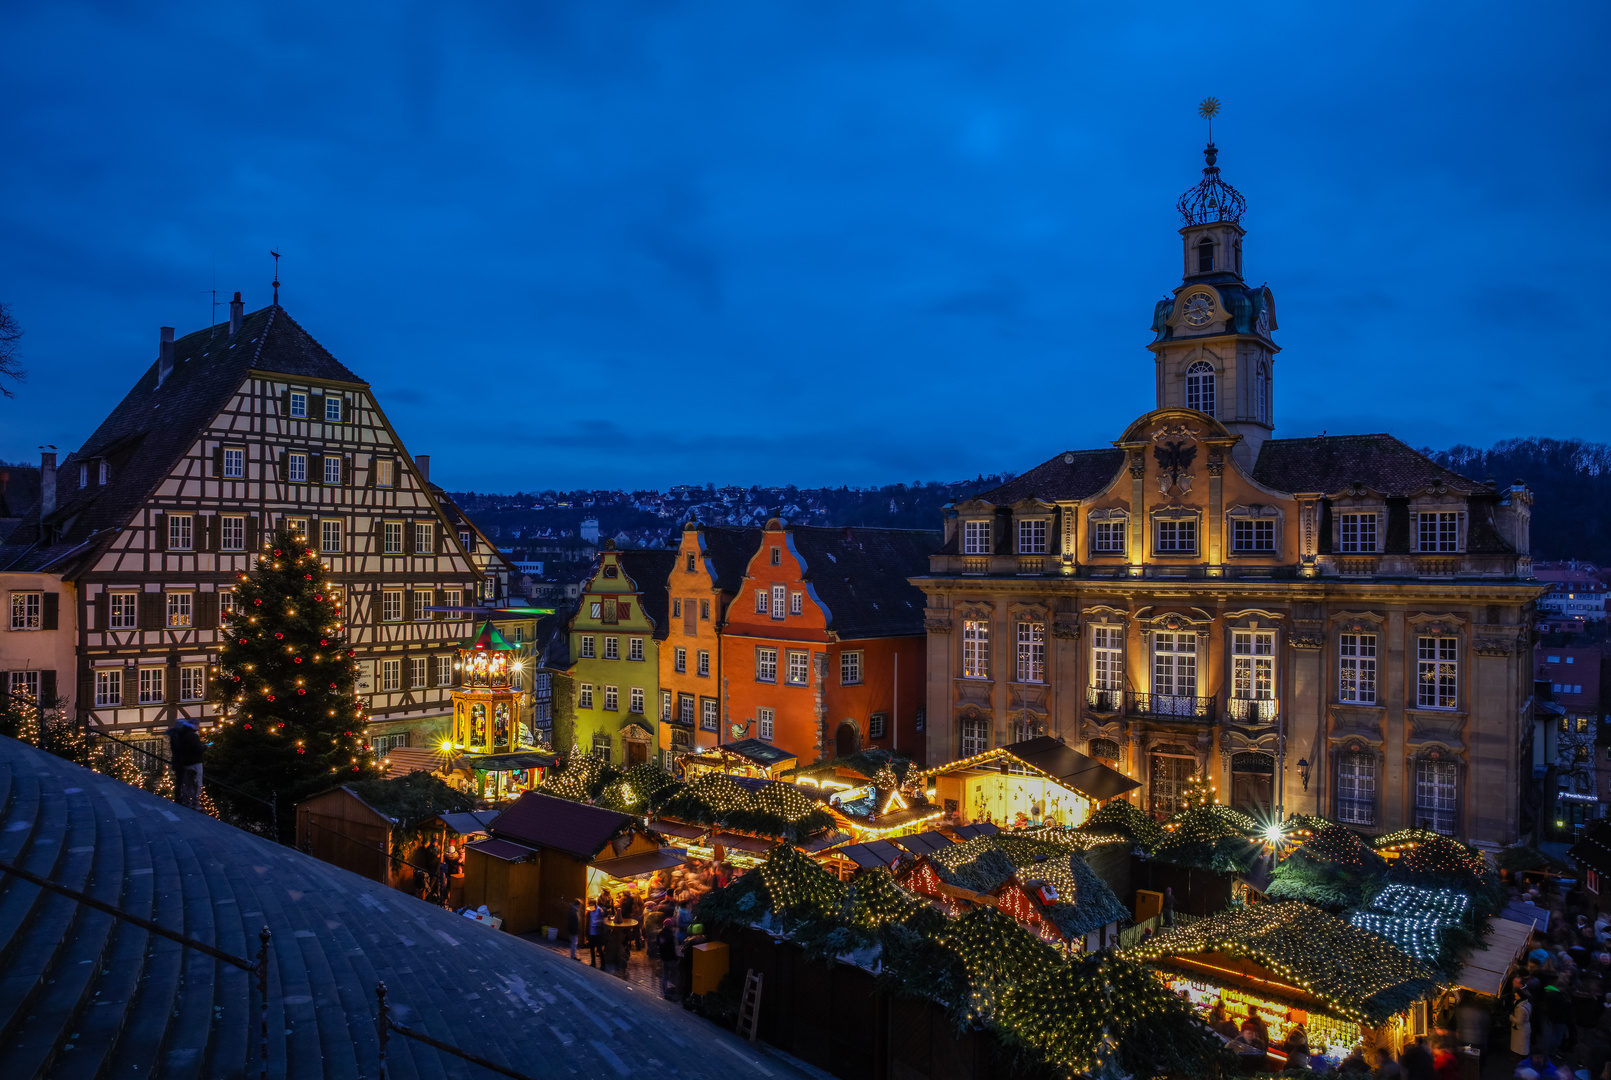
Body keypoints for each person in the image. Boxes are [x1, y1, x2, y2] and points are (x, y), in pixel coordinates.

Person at [165, 715, 205, 810]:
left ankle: (185, 801)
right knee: (193, 783)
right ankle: (191, 803)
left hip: (182, 762)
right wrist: (205, 747)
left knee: (185, 783)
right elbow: (198, 749)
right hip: (187, 762)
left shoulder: (178, 735)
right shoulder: (188, 736)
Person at [656, 921, 677, 996]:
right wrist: (675, 957)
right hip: (671, 958)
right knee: (674, 974)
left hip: (663, 957)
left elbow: (659, 944)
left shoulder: (659, 934)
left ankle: (665, 991)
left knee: (665, 974)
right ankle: (676, 990)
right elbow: (672, 948)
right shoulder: (670, 935)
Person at [586, 898, 606, 968]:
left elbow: (602, 922)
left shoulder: (600, 911)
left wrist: (602, 933)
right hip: (591, 932)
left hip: (598, 933)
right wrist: (587, 934)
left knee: (599, 949)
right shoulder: (589, 912)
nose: (591, 907)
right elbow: (587, 922)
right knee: (591, 948)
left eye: (592, 905)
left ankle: (603, 964)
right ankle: (593, 962)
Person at [1513, 990, 1533, 1056]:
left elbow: (1519, 1021)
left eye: (1516, 995)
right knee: (1523, 1045)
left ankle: (1520, 1060)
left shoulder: (1521, 1008)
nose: (1515, 995)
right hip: (1525, 1028)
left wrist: (1511, 1018)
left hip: (1521, 1029)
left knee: (1521, 1047)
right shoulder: (1527, 1004)